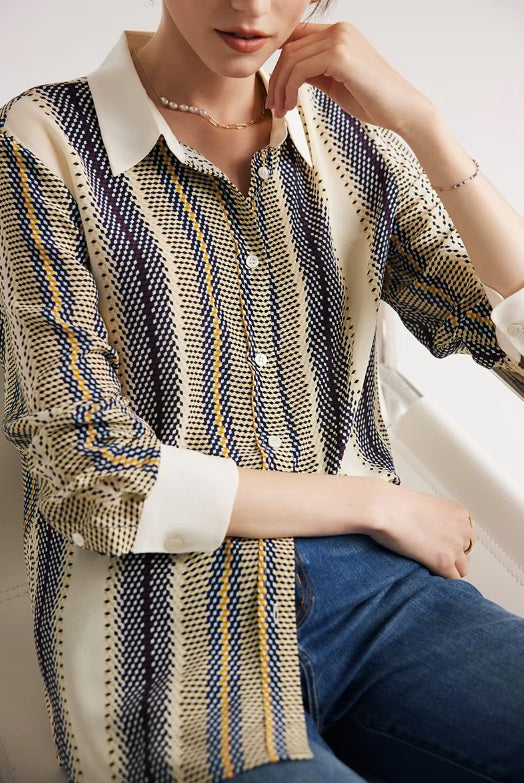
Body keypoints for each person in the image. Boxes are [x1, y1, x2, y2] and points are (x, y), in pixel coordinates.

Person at [1, 1, 524, 781]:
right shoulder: (42, 141)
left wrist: (425, 126)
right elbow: (91, 476)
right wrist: (374, 502)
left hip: (382, 598)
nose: (250, 6)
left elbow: (512, 351)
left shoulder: (356, 138)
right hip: (163, 622)